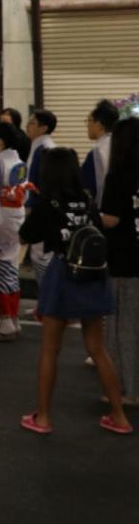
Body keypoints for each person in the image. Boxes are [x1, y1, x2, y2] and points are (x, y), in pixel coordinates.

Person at [19, 147, 131, 434]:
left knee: (50, 348)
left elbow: (27, 234)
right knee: (97, 347)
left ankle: (43, 417)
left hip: (64, 275)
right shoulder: (87, 199)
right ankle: (119, 416)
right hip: (94, 275)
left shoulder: (48, 202)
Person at [100, 117, 139, 407]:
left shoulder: (118, 176)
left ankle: (127, 390)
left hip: (125, 260)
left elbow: (111, 220)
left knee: (123, 328)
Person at [0, 121, 29, 342]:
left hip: (0, 220)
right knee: (10, 269)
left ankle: (6, 321)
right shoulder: (19, 162)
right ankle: (13, 318)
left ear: (0, 141)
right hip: (16, 217)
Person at [25, 110, 58, 288]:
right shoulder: (42, 146)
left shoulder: (42, 149)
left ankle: (47, 304)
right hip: (45, 209)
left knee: (40, 256)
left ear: (43, 128)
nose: (27, 126)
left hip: (41, 210)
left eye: (32, 123)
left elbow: (36, 183)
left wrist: (30, 207)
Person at [82, 99, 119, 207]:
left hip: (104, 209)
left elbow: (88, 187)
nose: (87, 125)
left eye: (89, 120)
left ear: (99, 124)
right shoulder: (121, 144)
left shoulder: (97, 151)